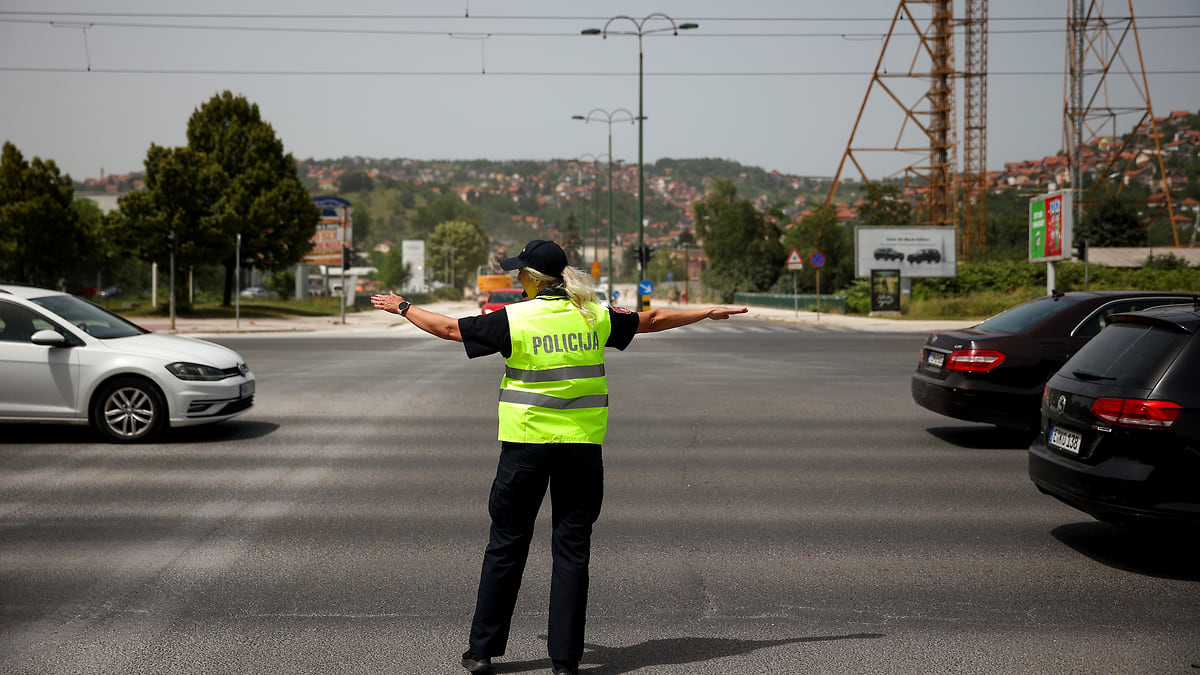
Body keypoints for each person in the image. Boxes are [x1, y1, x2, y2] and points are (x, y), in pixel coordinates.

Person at [370, 240, 746, 675]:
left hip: (525, 449)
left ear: (532, 278)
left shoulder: (514, 318)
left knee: (506, 546)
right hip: (582, 450)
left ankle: (482, 652)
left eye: (519, 273)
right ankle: (565, 660)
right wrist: (706, 311)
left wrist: (403, 306)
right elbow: (654, 318)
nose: (516, 279)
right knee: (572, 552)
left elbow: (451, 329)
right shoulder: (595, 315)